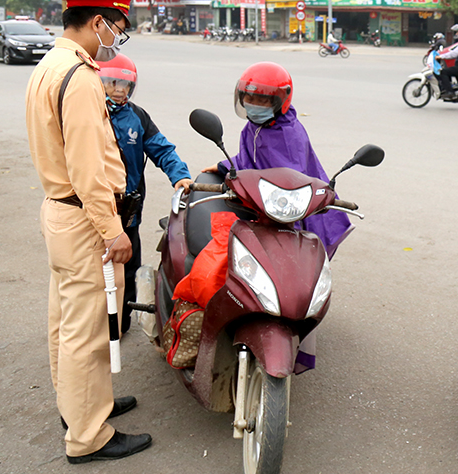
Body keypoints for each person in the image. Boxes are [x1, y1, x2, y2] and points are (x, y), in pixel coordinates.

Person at [25, 0, 153, 463]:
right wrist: (113, 231)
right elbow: (87, 170)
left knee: (66, 323)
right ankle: (87, 436)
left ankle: (80, 406)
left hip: (60, 211)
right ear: (98, 22)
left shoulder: (49, 65)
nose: (115, 41)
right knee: (88, 330)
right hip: (83, 218)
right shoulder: (79, 77)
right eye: (116, 30)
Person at [203, 62, 352, 371]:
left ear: (280, 101)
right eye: (250, 98)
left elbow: (290, 180)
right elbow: (247, 161)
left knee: (294, 275)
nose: (254, 106)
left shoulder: (289, 135)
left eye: (262, 100)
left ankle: (296, 337)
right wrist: (222, 167)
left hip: (296, 212)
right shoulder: (253, 128)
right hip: (263, 209)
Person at [98, 53, 192, 333]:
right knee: (95, 272)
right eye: (112, 82)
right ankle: (95, 326)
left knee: (126, 269)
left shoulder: (137, 117)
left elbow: (161, 148)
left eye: (125, 84)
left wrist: (180, 176)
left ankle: (120, 325)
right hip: (97, 209)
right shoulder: (90, 114)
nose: (118, 89)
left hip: (128, 213)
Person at [436, 24, 458, 98]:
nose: (456, 34)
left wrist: (441, 56)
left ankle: (450, 92)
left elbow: (454, 53)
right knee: (447, 71)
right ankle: (449, 88)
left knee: (443, 72)